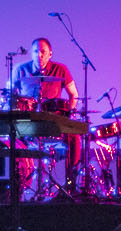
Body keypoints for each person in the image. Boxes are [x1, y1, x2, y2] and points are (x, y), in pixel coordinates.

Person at [11, 38, 82, 193]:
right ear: (31, 54)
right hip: (27, 121)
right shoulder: (19, 70)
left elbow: (74, 94)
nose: (39, 55)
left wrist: (70, 112)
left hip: (53, 122)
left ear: (50, 53)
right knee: (11, 138)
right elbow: (9, 94)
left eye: (43, 51)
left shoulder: (61, 69)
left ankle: (71, 184)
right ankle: (16, 184)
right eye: (36, 51)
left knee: (75, 137)